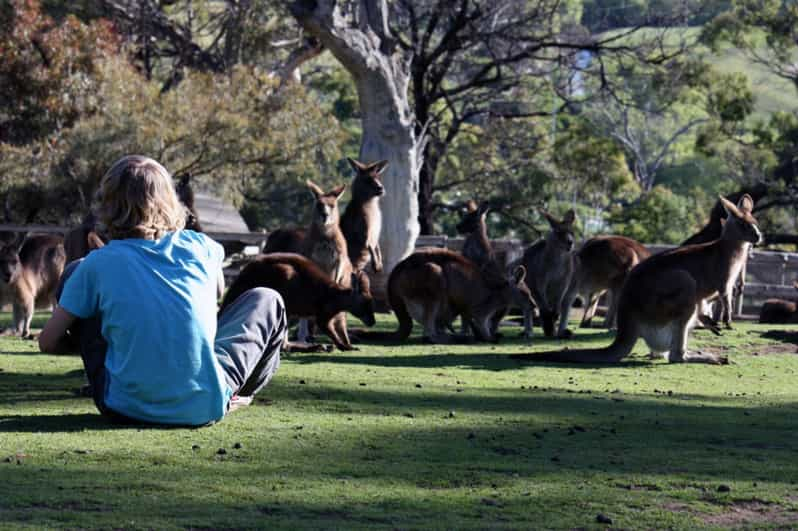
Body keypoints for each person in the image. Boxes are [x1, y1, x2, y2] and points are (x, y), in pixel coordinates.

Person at [39, 155, 286, 426]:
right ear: (170, 200)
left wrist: (100, 340)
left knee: (77, 271)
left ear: (108, 203)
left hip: (122, 407)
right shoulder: (203, 247)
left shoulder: (98, 263)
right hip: (204, 409)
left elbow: (47, 342)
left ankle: (129, 370)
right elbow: (216, 294)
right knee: (268, 299)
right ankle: (235, 394)